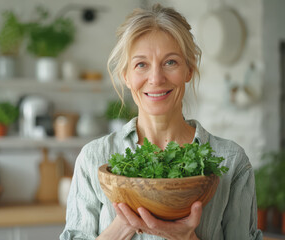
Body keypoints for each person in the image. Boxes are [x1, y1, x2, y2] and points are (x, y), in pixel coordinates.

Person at [60, 3, 263, 240]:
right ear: (126, 75)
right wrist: (123, 225)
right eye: (141, 64)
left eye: (170, 62)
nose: (155, 78)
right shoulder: (93, 159)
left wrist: (187, 238)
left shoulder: (231, 161)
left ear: (189, 69)